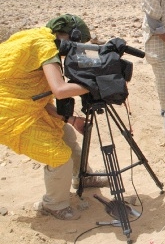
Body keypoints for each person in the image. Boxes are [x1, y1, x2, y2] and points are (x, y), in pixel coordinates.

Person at [0, 14, 108, 221]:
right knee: (58, 155)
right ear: (69, 36)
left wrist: (71, 120)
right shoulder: (46, 47)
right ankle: (54, 204)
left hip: (26, 106)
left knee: (66, 136)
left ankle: (83, 176)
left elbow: (35, 98)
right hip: (9, 114)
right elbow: (59, 90)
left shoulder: (37, 36)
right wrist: (98, 84)